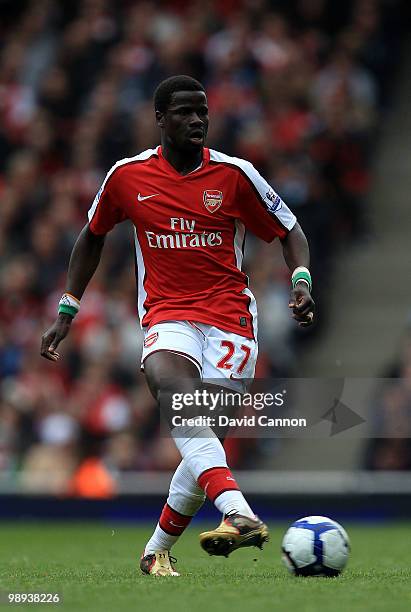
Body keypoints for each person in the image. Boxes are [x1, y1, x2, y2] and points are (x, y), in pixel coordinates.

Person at [41, 75, 315, 577]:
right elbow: (93, 234)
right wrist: (68, 308)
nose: (197, 120)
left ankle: (154, 551)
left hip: (231, 320)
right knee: (177, 396)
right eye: (186, 112)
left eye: (203, 112)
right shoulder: (127, 177)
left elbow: (289, 229)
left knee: (200, 440)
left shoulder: (236, 175)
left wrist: (301, 280)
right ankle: (239, 513)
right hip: (168, 316)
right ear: (160, 119)